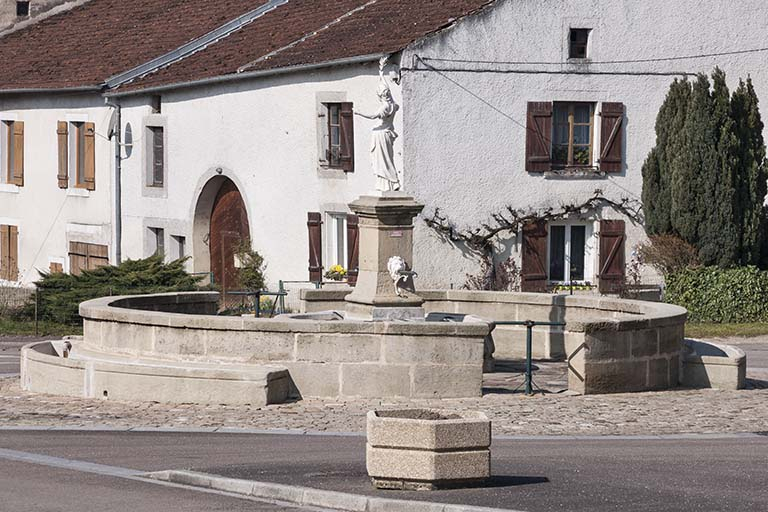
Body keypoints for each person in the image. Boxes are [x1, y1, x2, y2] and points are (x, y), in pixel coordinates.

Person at [355, 81, 401, 191]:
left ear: (380, 95)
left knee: (382, 160)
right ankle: (389, 184)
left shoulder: (384, 107)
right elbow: (389, 93)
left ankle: (390, 183)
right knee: (387, 159)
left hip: (381, 135)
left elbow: (373, 116)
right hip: (388, 133)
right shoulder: (394, 105)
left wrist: (358, 113)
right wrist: (381, 74)